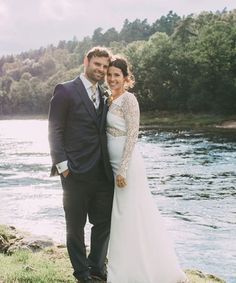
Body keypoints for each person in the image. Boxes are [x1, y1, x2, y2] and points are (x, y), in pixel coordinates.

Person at [106, 55, 189, 283]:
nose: (112, 78)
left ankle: (146, 270)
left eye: (117, 75)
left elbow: (132, 135)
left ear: (125, 78)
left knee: (132, 213)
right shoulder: (109, 99)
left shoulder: (129, 99)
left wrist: (123, 169)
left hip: (127, 166)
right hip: (111, 166)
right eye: (109, 74)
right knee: (121, 216)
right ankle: (124, 267)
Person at [48, 46, 114, 283]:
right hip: (74, 172)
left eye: (105, 67)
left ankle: (96, 267)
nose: (101, 70)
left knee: (104, 222)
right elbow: (55, 129)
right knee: (75, 227)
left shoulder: (105, 93)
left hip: (102, 172)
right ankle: (82, 274)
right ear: (86, 61)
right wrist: (62, 166)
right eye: (97, 64)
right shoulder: (65, 90)